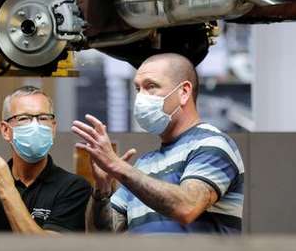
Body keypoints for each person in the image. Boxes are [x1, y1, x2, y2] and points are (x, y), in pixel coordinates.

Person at [73, 53, 244, 234]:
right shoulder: (143, 165)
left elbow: (187, 207)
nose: (141, 97)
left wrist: (119, 167)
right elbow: (101, 237)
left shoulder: (212, 145)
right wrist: (102, 191)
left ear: (184, 92)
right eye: (138, 89)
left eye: (151, 86)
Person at [0, 86, 91, 233]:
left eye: (43, 118)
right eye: (24, 118)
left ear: (53, 128)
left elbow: (50, 248)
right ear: (6, 130)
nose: (35, 126)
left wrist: (6, 190)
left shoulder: (73, 187)